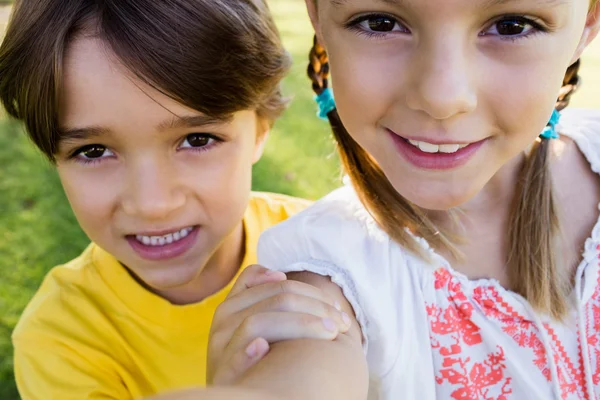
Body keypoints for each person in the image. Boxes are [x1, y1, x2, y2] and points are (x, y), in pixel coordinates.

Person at [203, 0, 600, 398]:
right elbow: (300, 376)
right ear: (317, 16)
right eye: (380, 22)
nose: (441, 97)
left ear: (587, 23)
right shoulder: (328, 274)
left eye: (513, 26)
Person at [0, 0, 349, 398]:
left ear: (260, 129)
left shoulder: (328, 252)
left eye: (197, 140)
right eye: (94, 151)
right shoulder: (60, 342)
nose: (152, 204)